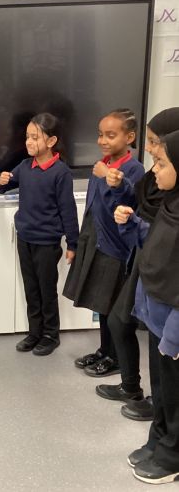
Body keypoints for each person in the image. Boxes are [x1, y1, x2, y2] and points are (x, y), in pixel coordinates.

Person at [95, 108, 179, 420]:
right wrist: (122, 192)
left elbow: (164, 231)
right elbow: (141, 205)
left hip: (161, 272)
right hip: (144, 257)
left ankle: (160, 408)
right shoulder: (156, 178)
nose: (151, 150)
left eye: (156, 142)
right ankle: (140, 392)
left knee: (162, 346)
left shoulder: (171, 187)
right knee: (126, 324)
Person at [115, 130, 179, 485]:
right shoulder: (171, 204)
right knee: (162, 389)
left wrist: (174, 335)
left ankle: (173, 454)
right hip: (158, 319)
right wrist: (133, 225)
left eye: (162, 163)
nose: (154, 170)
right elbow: (155, 246)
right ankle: (159, 438)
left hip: (174, 327)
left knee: (176, 394)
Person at [63, 109, 145, 377]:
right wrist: (81, 241)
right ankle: (104, 349)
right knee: (100, 303)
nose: (102, 141)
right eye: (100, 135)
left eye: (111, 135)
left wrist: (107, 176)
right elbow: (93, 206)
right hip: (95, 242)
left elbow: (125, 206)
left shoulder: (133, 169)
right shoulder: (102, 164)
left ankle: (115, 357)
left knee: (112, 307)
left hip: (115, 248)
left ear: (129, 137)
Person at [0, 112, 79, 356]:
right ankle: (35, 332)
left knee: (46, 290)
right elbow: (2, 187)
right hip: (25, 239)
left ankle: (51, 335)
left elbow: (68, 210)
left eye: (35, 137)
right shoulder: (25, 166)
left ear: (51, 141)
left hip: (47, 243)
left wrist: (73, 243)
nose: (29, 142)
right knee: (31, 289)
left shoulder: (60, 172)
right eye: (27, 137)